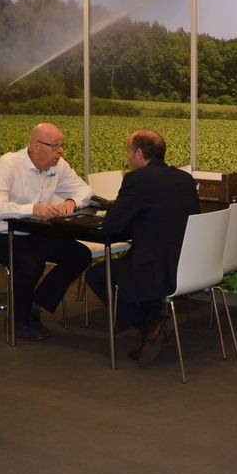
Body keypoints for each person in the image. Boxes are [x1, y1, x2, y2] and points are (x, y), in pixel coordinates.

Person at [84, 129, 199, 366]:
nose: (127, 158)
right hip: (184, 264)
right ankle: (153, 324)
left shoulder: (137, 179)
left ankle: (148, 325)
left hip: (153, 267)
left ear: (138, 153)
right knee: (131, 261)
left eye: (129, 152)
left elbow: (112, 225)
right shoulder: (184, 179)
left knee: (96, 275)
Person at [0, 123, 92, 341]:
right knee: (31, 263)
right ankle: (18, 322)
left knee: (80, 255)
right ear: (35, 146)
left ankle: (36, 303)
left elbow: (85, 191)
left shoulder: (58, 165)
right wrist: (32, 209)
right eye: (55, 146)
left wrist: (71, 201)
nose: (60, 151)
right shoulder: (9, 164)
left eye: (62, 145)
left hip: (33, 231)